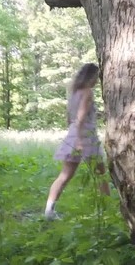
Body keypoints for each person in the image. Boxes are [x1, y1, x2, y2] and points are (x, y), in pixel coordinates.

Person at [44, 63, 110, 220]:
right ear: (91, 77)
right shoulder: (88, 92)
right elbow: (80, 117)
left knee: (65, 175)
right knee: (100, 175)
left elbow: (71, 118)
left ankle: (49, 210)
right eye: (96, 77)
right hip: (85, 137)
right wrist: (80, 141)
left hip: (73, 134)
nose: (97, 80)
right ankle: (107, 211)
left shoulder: (74, 92)